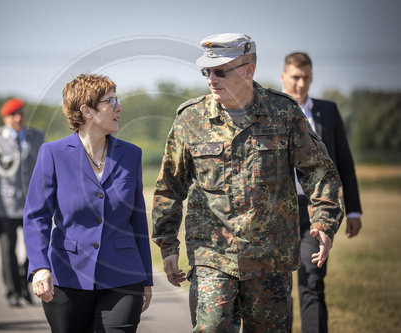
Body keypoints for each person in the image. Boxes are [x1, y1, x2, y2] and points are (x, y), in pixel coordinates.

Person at [152, 33, 344, 332]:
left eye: (220, 71)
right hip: (212, 256)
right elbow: (169, 187)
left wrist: (324, 221)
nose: (211, 79)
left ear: (248, 70)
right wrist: (167, 245)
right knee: (212, 328)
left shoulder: (284, 113)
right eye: (207, 71)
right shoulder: (191, 119)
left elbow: (319, 171)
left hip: (270, 258)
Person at [23, 74, 153, 332]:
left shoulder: (131, 154)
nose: (119, 107)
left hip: (124, 276)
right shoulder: (53, 154)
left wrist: (146, 279)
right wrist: (39, 267)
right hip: (66, 277)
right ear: (87, 111)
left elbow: (137, 219)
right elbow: (36, 216)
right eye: (111, 101)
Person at [281, 52, 362, 333]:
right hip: (278, 212)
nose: (300, 84)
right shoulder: (269, 110)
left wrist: (353, 209)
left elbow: (344, 163)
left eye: (305, 77)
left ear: (311, 77)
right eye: (295, 77)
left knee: (312, 280)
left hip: (317, 209)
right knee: (277, 287)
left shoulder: (327, 112)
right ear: (284, 77)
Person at [0, 98, 44, 307]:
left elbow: (44, 171)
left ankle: (24, 286)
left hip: (32, 205)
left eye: (21, 113)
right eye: (13, 115)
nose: (18, 118)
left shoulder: (37, 136)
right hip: (5, 206)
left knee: (32, 250)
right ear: (5, 118)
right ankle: (12, 292)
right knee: (8, 250)